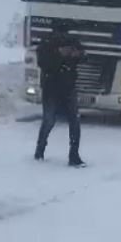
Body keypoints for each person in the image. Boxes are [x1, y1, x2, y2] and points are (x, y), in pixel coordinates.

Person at [35, 22, 86, 167]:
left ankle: (73, 155)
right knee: (50, 120)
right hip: (52, 86)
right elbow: (44, 63)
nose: (62, 36)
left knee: (71, 121)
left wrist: (76, 55)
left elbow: (84, 57)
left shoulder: (71, 42)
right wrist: (60, 55)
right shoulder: (47, 44)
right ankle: (40, 150)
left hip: (66, 86)